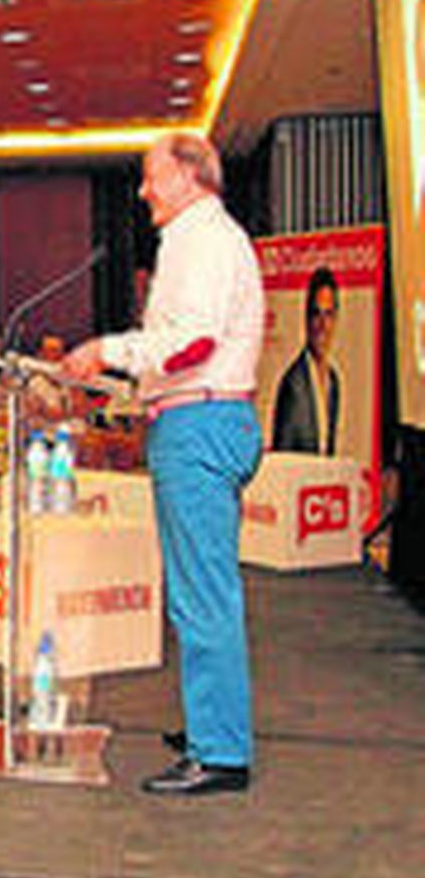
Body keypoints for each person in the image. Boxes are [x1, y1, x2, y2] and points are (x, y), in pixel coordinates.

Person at [63, 132, 264, 796]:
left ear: (188, 175)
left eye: (151, 176)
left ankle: (221, 751)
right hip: (206, 419)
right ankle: (212, 725)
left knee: (202, 594)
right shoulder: (211, 236)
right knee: (200, 589)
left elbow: (193, 341)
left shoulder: (198, 239)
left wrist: (108, 350)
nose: (143, 189)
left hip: (198, 422)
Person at [272, 266, 342, 455]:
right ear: (306, 319)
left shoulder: (333, 381)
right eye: (316, 314)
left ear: (336, 319)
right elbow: (282, 460)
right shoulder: (293, 383)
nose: (322, 325)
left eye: (328, 314)